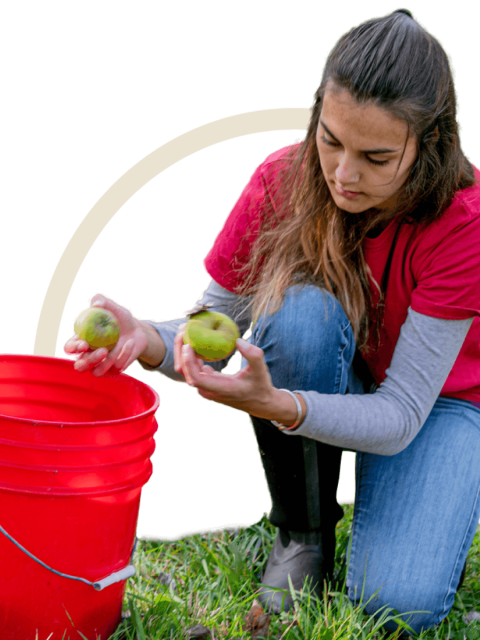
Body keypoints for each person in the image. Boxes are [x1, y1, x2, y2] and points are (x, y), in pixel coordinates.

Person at [64, 8, 480, 637]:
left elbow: (399, 416)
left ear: (431, 146)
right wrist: (145, 339)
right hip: (348, 377)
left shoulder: (464, 221)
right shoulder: (280, 182)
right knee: (299, 312)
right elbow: (210, 324)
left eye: (375, 156)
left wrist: (281, 404)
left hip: (440, 401)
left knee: (400, 603)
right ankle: (303, 536)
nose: (344, 174)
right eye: (332, 140)